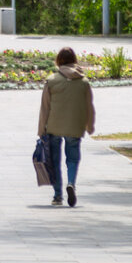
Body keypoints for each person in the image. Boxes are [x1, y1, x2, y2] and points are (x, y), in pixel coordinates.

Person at [37, 47, 96, 207]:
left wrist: (41, 129)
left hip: (54, 126)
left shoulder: (52, 80)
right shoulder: (83, 82)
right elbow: (89, 106)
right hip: (75, 126)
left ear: (58, 61)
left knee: (55, 161)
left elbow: (45, 107)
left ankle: (57, 196)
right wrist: (90, 125)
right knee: (72, 158)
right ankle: (71, 183)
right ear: (74, 60)